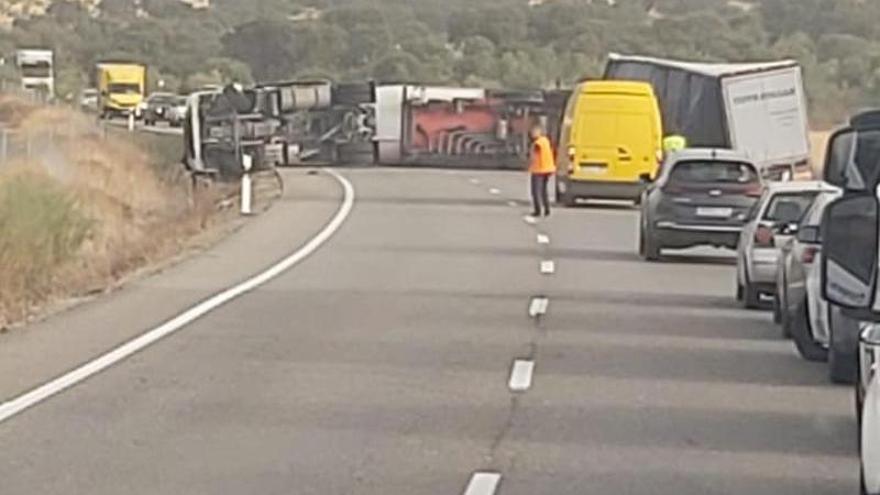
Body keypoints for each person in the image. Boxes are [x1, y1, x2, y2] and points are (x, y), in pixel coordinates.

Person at [528, 125, 556, 217]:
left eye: (534, 132)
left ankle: (538, 210)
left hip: (539, 170)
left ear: (539, 133)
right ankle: (547, 209)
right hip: (547, 169)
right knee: (543, 190)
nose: (532, 134)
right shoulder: (546, 141)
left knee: (536, 191)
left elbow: (534, 154)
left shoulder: (538, 143)